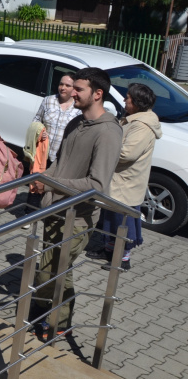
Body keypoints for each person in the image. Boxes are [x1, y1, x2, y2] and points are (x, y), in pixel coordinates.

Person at [30, 67, 122, 339]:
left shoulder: (107, 132)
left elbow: (97, 186)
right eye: (72, 87)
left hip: (77, 217)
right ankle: (52, 313)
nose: (71, 92)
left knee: (54, 270)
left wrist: (52, 184)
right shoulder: (76, 122)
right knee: (55, 268)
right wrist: (44, 176)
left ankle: (58, 320)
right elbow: (62, 162)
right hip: (55, 208)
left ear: (98, 94)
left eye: (79, 89)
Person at [86, 83, 161, 270]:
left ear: (137, 102)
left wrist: (103, 151)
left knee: (122, 222)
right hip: (118, 180)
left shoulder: (142, 126)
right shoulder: (132, 119)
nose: (125, 100)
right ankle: (109, 250)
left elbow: (127, 154)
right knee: (111, 218)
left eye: (128, 97)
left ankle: (123, 259)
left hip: (127, 182)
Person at [24, 73, 80, 222]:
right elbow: (36, 120)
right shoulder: (48, 101)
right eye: (61, 84)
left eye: (68, 85)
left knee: (55, 185)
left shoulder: (78, 106)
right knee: (37, 182)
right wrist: (39, 131)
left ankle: (51, 215)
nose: (63, 88)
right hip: (44, 153)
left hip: (63, 155)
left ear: (74, 88)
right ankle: (30, 215)